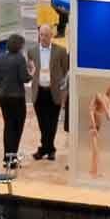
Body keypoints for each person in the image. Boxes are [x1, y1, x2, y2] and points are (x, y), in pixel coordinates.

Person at [0, 33, 33, 168]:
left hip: (3, 97)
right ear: (19, 46)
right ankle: (12, 157)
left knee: (8, 126)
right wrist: (31, 73)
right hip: (17, 98)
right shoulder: (20, 59)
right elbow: (24, 78)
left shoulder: (0, 58)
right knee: (17, 127)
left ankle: (7, 157)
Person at [32, 23, 68, 162]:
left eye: (46, 35)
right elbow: (32, 70)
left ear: (51, 36)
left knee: (52, 123)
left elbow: (65, 71)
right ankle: (48, 148)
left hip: (54, 92)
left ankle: (46, 149)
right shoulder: (32, 51)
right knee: (42, 122)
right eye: (41, 35)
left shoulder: (60, 51)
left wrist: (64, 92)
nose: (43, 38)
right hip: (39, 92)